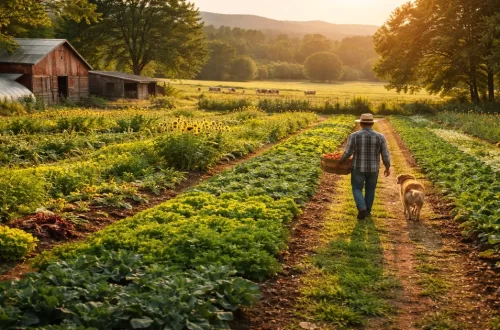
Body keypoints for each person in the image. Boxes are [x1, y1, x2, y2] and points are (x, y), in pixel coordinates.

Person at [340, 113, 391, 220]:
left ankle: (361, 208)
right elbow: (385, 154)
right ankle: (367, 211)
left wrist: (341, 161)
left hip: (358, 167)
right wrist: (387, 166)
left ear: (361, 123)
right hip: (373, 168)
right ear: (372, 123)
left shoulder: (354, 136)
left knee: (357, 188)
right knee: (370, 189)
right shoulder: (380, 137)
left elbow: (348, 152)